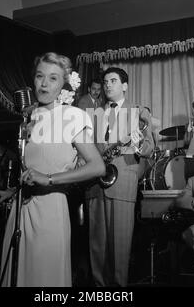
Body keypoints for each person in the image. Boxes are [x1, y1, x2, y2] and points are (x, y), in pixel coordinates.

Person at [0, 52, 106, 287]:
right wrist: (13, 191)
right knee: (17, 276)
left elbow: (97, 166)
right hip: (21, 210)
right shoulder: (29, 119)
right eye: (39, 76)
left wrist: (49, 179)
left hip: (51, 209)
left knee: (44, 279)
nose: (44, 83)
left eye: (53, 78)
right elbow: (33, 169)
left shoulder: (73, 115)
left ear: (64, 83)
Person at [85, 67, 154, 287]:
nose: (108, 85)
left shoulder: (138, 111)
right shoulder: (93, 113)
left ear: (124, 86)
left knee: (120, 248)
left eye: (113, 81)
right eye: (105, 81)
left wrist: (139, 144)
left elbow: (150, 147)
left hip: (123, 182)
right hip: (95, 185)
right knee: (96, 247)